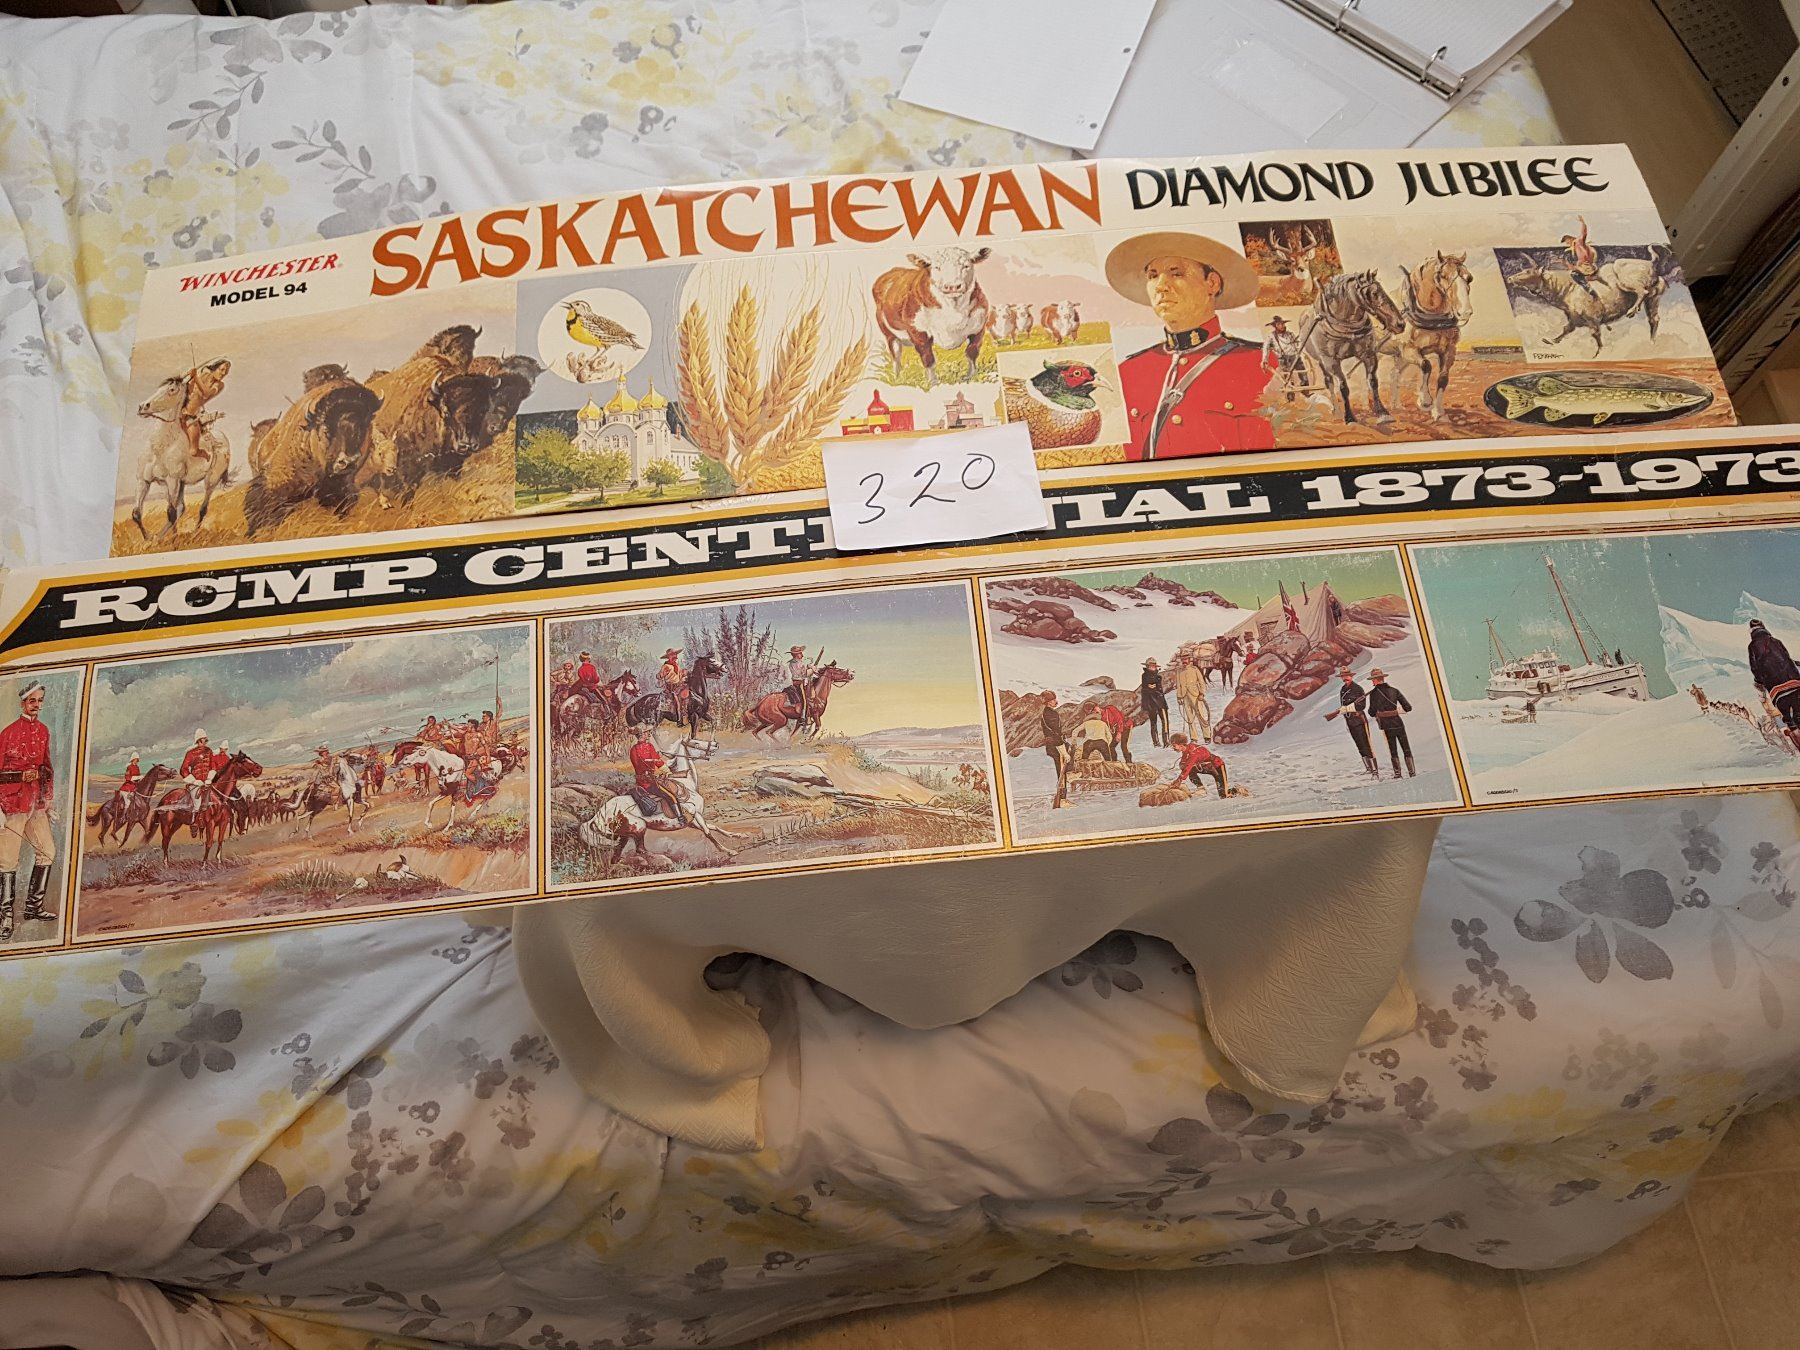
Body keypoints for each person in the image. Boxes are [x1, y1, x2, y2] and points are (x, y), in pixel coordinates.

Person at [1105, 231, 1273, 460]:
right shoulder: (1128, 372)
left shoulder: (1263, 364)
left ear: (1212, 283)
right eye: (1153, 276)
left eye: (1176, 273)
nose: (1161, 286)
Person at [0, 680, 59, 937]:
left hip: (36, 803)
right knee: (7, 860)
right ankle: (5, 917)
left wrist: (48, 799)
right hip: (11, 804)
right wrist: (20, 777)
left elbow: (47, 768)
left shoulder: (43, 731)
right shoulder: (8, 733)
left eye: (40, 701)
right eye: (32, 701)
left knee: (47, 851)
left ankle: (33, 908)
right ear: (23, 703)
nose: (36, 705)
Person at [1322, 667, 1379, 779]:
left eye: (1347, 676)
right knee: (1359, 745)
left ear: (1351, 676)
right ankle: (1368, 768)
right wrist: (1343, 712)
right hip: (1350, 721)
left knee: (1366, 745)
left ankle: (1375, 771)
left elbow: (1361, 706)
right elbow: (1343, 705)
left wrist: (1347, 709)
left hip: (1359, 720)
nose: (1345, 678)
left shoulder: (1357, 688)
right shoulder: (1343, 689)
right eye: (1343, 676)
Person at [1748, 619, 1800, 734]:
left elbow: (1754, 668)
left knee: (1787, 716)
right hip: (1794, 682)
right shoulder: (1776, 641)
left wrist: (1759, 681)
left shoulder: (1752, 646)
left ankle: (1794, 732)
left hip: (1776, 689)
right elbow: (1786, 657)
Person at [177, 357, 230, 463]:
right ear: (215, 368)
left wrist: (196, 377)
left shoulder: (219, 385)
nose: (224, 373)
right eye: (222, 369)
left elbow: (206, 394)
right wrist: (190, 378)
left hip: (192, 417)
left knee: (193, 451)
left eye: (226, 371)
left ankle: (206, 455)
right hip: (179, 412)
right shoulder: (205, 375)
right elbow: (189, 388)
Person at [629, 727, 686, 825]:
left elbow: (639, 766)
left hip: (641, 781)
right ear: (642, 734)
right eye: (646, 732)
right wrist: (667, 771)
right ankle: (681, 819)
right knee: (671, 796)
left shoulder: (633, 749)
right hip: (650, 783)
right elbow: (658, 762)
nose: (649, 734)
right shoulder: (649, 747)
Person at [1365, 668, 1416, 778]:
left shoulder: (1373, 694)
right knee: (1406, 748)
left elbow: (1371, 712)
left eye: (1373, 679)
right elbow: (1408, 707)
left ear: (1376, 680)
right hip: (1398, 723)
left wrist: (1381, 713)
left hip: (1386, 725)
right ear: (1382, 678)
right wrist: (1395, 712)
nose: (1372, 682)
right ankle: (1412, 772)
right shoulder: (1394, 690)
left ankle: (1398, 773)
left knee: (1393, 750)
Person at [1260, 313, 1307, 402]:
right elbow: (1266, 348)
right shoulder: (1271, 336)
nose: (1282, 326)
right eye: (1279, 324)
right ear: (1275, 326)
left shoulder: (1290, 334)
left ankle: (1306, 391)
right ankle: (1290, 397)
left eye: (1282, 324)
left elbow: (1298, 343)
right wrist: (1264, 359)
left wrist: (1299, 349)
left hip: (1295, 356)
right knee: (1288, 379)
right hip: (1284, 359)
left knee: (1303, 374)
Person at [1167, 732, 1227, 799]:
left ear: (1181, 745)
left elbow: (1188, 766)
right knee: (1190, 770)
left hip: (1217, 766)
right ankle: (1201, 788)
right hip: (1206, 767)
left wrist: (1179, 781)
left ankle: (1234, 791)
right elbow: (1185, 765)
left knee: (1223, 794)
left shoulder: (1193, 752)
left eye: (1174, 746)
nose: (1173, 748)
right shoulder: (1186, 751)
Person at [1039, 691, 1071, 811]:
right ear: (1048, 702)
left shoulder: (1048, 713)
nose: (1055, 701)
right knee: (1061, 770)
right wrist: (1063, 750)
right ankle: (1062, 799)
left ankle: (1062, 797)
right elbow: (1055, 733)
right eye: (1053, 700)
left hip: (1053, 744)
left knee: (1061, 770)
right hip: (1055, 745)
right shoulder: (1050, 714)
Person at [1172, 652, 1211, 744]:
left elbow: (1201, 682)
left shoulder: (1195, 669)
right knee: (1190, 718)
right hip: (1185, 697)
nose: (1184, 661)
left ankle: (1207, 736)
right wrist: (1179, 697)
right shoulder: (1179, 671)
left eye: (1186, 659)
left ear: (1189, 659)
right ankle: (1194, 738)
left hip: (1196, 696)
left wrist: (1202, 694)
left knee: (1201, 716)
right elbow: (1179, 685)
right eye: (1182, 659)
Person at [1560, 216, 1601, 300]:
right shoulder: (1574, 246)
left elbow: (1583, 234)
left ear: (1569, 238)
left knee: (1574, 274)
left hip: (1586, 266)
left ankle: (1591, 291)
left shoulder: (1578, 241)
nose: (1567, 243)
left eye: (1566, 241)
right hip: (1583, 265)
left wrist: (1583, 223)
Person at [178, 728, 218, 813]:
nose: (206, 741)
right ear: (198, 740)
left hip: (207, 783)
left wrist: (209, 779)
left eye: (206, 739)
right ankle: (194, 818)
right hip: (195, 784)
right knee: (197, 805)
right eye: (204, 739)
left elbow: (213, 766)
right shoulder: (190, 753)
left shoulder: (209, 751)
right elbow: (183, 769)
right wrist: (194, 781)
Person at [1138, 658, 1170, 748]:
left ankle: (1166, 741)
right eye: (1151, 666)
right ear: (1147, 667)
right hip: (1152, 703)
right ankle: (1156, 742)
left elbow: (1158, 689)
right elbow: (1147, 689)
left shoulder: (1158, 676)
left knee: (1165, 721)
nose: (1152, 667)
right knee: (1154, 722)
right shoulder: (1145, 676)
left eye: (1154, 666)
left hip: (1160, 702)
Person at [782, 646, 813, 725]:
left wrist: (808, 667)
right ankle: (803, 717)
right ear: (796, 655)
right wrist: (812, 670)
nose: (802, 655)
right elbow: (803, 674)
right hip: (799, 683)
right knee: (805, 700)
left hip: (796, 682)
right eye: (800, 653)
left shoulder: (792, 663)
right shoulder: (798, 663)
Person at [658, 647, 688, 722]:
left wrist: (684, 674)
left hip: (679, 686)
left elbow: (680, 675)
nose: (674, 656)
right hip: (670, 688)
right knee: (676, 700)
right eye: (672, 655)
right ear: (668, 657)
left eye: (675, 654)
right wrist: (661, 675)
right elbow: (659, 676)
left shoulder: (677, 665)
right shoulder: (666, 666)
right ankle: (679, 719)